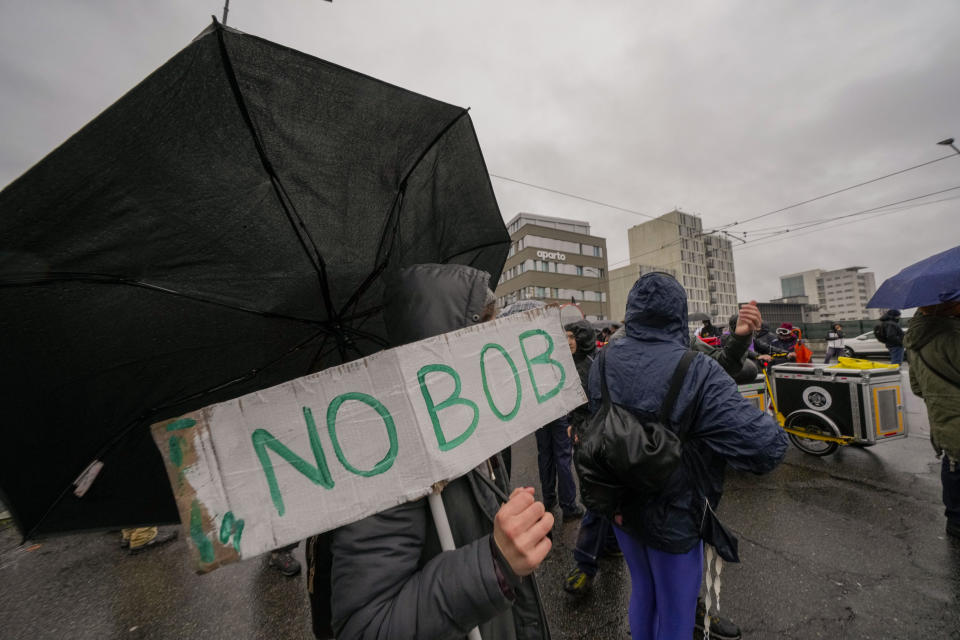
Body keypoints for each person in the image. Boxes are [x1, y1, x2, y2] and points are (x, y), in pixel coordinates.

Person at [319, 263, 552, 640]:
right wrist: (492, 565)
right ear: (437, 346)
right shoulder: (384, 459)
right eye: (480, 333)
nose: (495, 351)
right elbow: (364, 628)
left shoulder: (474, 420)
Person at [582, 272, 787, 640]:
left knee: (642, 590)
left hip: (620, 502)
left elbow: (596, 418)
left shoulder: (604, 358)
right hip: (674, 511)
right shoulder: (697, 368)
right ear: (678, 314)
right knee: (676, 610)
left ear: (633, 312)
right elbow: (765, 449)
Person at [562, 320, 620, 597]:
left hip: (596, 438)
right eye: (567, 337)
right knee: (598, 495)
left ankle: (586, 563)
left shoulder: (594, 362)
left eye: (573, 336)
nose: (569, 341)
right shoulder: (572, 363)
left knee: (595, 498)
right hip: (585, 436)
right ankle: (608, 544)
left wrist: (583, 425)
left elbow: (598, 403)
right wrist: (573, 421)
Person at [903, 301, 960, 540]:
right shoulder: (952, 336)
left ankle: (955, 520)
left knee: (954, 463)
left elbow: (917, 387)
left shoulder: (914, 340)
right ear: (950, 306)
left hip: (944, 416)